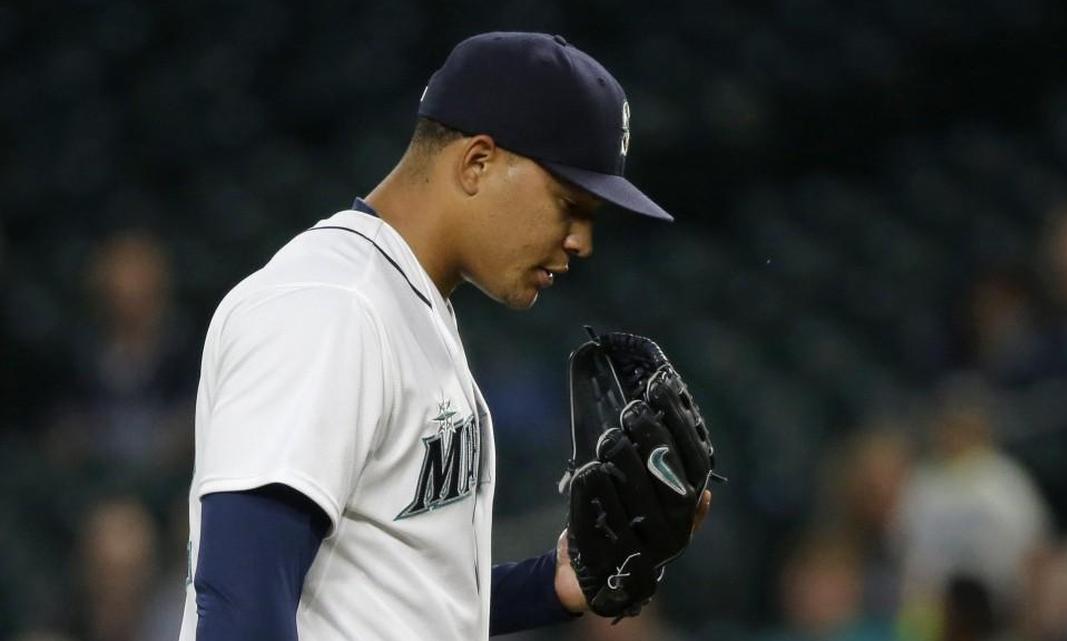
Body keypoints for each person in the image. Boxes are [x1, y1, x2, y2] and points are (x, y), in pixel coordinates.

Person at [177, 32, 697, 641]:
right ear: (477, 162)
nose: (582, 241)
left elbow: (391, 601)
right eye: (568, 203)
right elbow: (240, 600)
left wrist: (551, 584)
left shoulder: (405, 306)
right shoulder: (331, 308)